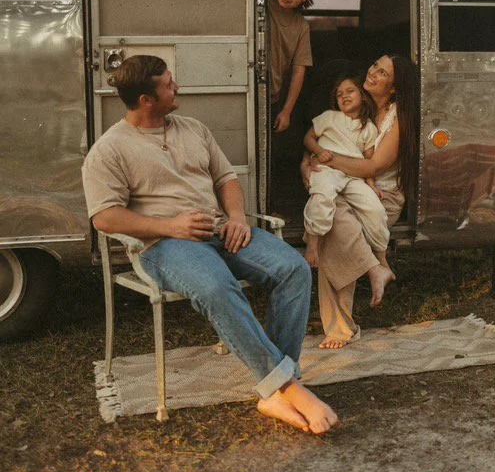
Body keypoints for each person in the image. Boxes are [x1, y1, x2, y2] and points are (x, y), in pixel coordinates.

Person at [82, 54, 338, 434]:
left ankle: (276, 392)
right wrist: (170, 225)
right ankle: (288, 388)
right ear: (146, 101)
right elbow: (104, 216)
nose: (177, 87)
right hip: (164, 246)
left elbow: (226, 180)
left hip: (221, 231)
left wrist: (236, 218)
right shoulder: (110, 149)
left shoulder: (193, 128)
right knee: (217, 287)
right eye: (169, 84)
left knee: (294, 269)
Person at [302, 54, 418, 349]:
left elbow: (372, 168)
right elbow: (323, 137)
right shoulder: (353, 102)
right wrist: (308, 162)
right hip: (346, 187)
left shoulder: (396, 118)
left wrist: (324, 159)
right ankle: (376, 267)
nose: (373, 73)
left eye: (382, 73)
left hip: (382, 195)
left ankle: (341, 327)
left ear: (393, 87)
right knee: (336, 221)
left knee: (335, 229)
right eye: (374, 66)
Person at [302, 72, 390, 278]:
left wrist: (371, 184)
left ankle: (381, 254)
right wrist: (318, 150)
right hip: (327, 169)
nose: (344, 96)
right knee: (322, 195)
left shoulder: (368, 127)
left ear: (362, 96)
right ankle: (313, 242)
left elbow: (369, 160)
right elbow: (308, 137)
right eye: (339, 94)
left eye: (350, 91)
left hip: (353, 176)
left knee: (375, 208)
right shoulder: (329, 117)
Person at [269, 0, 322, 134]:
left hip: (272, 98)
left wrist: (286, 111)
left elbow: (299, 70)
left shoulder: (301, 26)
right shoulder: (260, 8)